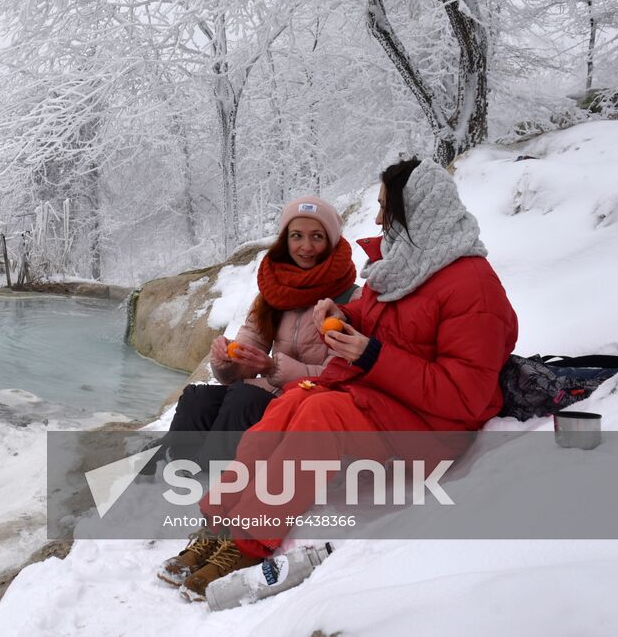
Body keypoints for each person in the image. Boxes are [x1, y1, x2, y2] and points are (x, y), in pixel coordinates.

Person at [176, 158, 519, 603]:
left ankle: (247, 543)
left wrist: (372, 355)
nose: (377, 218)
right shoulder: (405, 266)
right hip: (385, 400)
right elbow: (380, 319)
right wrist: (344, 316)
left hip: (436, 429)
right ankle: (214, 524)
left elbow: (465, 397)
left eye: (385, 208)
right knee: (290, 401)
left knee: (321, 411)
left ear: (416, 210)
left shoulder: (473, 285)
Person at [156, 196, 357, 587]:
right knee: (198, 398)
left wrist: (273, 368)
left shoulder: (349, 298)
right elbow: (242, 356)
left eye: (317, 237)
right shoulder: (272, 293)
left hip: (304, 400)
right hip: (265, 388)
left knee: (244, 398)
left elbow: (342, 373)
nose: (305, 246)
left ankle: (219, 492)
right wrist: (227, 360)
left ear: (331, 242)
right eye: (296, 236)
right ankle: (182, 473)